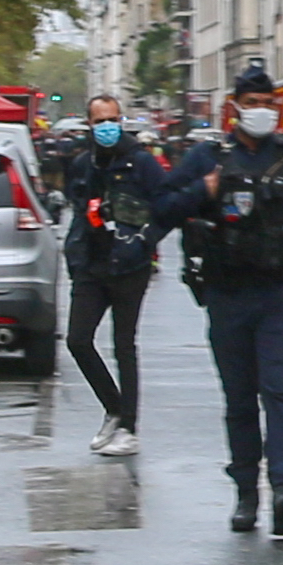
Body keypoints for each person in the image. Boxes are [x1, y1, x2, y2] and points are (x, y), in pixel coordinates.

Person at [151, 63, 283, 536]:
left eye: (267, 104)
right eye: (251, 105)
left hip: (282, 294)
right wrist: (200, 190)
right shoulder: (207, 157)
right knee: (239, 399)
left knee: (281, 390)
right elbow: (161, 209)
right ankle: (246, 492)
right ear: (234, 108)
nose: (260, 112)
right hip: (228, 294)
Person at [61, 94, 168, 458]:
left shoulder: (141, 162)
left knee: (124, 345)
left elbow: (166, 205)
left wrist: (144, 242)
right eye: (98, 121)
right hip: (91, 264)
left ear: (121, 121)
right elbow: (76, 208)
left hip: (128, 266)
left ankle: (129, 427)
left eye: (112, 119)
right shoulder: (81, 164)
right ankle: (114, 407)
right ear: (88, 124)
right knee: (78, 339)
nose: (106, 127)